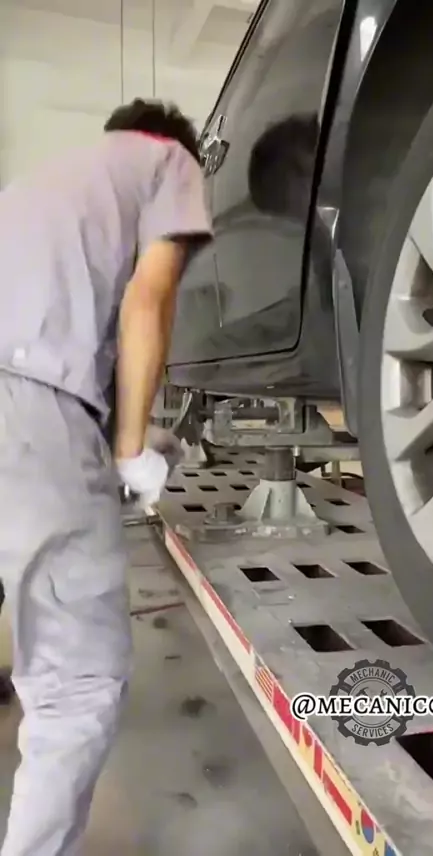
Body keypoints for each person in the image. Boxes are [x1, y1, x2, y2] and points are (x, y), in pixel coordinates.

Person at [0, 98, 212, 856]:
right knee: (77, 684)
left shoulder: (47, 182)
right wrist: (128, 454)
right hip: (28, 407)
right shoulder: (169, 162)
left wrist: (126, 429)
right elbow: (148, 299)